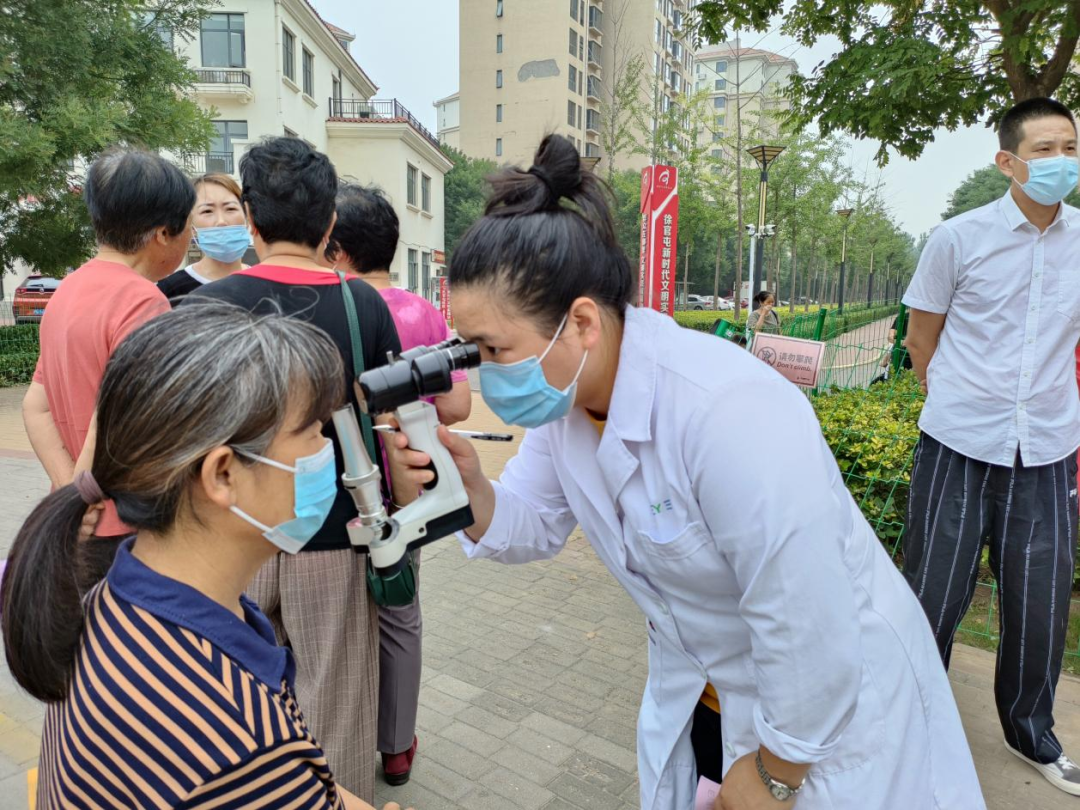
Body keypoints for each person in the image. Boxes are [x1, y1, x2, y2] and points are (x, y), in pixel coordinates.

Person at [389, 134, 985, 809]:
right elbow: (532, 524)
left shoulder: (726, 411)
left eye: (494, 349)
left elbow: (807, 620)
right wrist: (466, 487)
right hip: (708, 691)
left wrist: (776, 772)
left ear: (581, 322)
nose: (486, 372)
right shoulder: (569, 408)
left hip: (830, 716)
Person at [2, 304, 412, 810]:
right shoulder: (235, 739)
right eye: (312, 431)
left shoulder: (116, 600)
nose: (326, 452)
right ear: (222, 474)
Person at [187, 136, 403, 802]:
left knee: (233, 703)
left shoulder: (200, 308)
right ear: (330, 221)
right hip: (334, 533)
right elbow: (389, 424)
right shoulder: (363, 305)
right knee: (335, 703)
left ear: (250, 218)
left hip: (229, 540)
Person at [901, 97, 1080, 796]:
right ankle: (909, 726)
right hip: (958, 442)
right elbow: (921, 339)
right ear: (1008, 161)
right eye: (1044, 149)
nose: (1060, 160)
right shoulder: (957, 239)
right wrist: (958, 400)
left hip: (1046, 449)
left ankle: (1032, 734)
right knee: (933, 594)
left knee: (1040, 602)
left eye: (1070, 146)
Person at [320, 182, 470, 786]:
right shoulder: (423, 313)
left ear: (336, 248)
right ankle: (397, 745)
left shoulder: (335, 305)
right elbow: (456, 406)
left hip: (338, 495)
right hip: (410, 492)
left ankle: (340, 741)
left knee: (339, 621)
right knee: (400, 612)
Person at [23, 148, 191, 550]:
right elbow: (114, 416)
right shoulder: (143, 301)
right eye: (190, 227)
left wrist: (69, 493)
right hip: (123, 520)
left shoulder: (68, 289)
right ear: (163, 234)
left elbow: (35, 406)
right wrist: (83, 498)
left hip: (80, 518)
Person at [158, 173, 251, 303]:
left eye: (230, 208)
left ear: (247, 218)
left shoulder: (265, 284)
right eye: (207, 211)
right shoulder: (169, 291)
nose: (221, 221)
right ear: (191, 225)